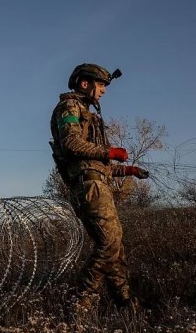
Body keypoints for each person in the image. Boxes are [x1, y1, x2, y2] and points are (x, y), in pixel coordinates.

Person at [49, 63, 150, 315]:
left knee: (116, 246)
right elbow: (71, 144)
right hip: (89, 186)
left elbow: (97, 164)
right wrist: (109, 151)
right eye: (101, 85)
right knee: (108, 244)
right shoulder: (69, 107)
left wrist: (128, 170)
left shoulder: (86, 112)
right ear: (85, 84)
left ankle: (125, 303)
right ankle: (77, 302)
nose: (103, 91)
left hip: (97, 181)